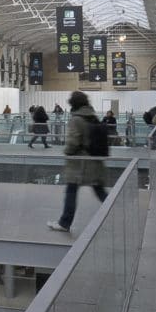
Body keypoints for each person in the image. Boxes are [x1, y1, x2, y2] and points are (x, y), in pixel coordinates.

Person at [47, 91, 107, 233]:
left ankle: (64, 223)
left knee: (71, 191)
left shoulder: (76, 119)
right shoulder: (92, 117)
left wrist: (67, 151)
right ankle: (119, 209)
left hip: (80, 164)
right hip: (95, 162)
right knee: (99, 191)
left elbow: (73, 142)